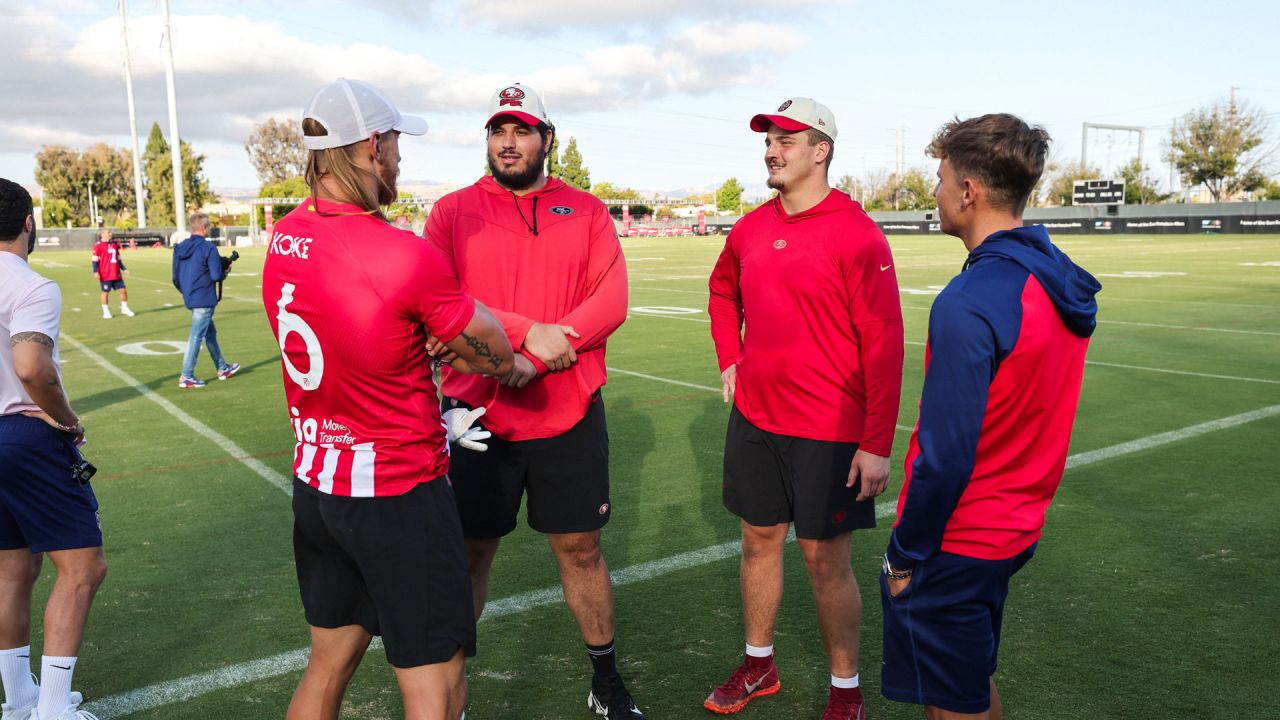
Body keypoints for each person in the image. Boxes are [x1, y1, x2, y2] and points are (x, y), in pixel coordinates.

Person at [263, 78, 514, 720]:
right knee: (437, 679)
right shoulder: (400, 253)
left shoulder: (284, 238)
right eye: (397, 145)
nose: (400, 160)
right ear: (372, 145)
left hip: (318, 482)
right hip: (397, 492)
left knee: (327, 664)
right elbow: (496, 352)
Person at [422, 82, 640, 719]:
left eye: (519, 129)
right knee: (468, 552)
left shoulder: (589, 211)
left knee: (581, 549)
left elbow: (611, 301)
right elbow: (439, 304)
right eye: (497, 130)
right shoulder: (452, 212)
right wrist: (518, 339)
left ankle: (606, 678)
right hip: (473, 417)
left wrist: (539, 355)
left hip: (567, 409)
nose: (506, 142)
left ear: (547, 137)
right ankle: (449, 686)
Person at [879, 114, 1101, 720]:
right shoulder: (1048, 278)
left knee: (953, 703)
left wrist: (905, 552)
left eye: (942, 177)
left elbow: (945, 454)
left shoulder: (972, 300)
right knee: (964, 685)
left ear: (970, 191)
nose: (936, 191)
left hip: (959, 538)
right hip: (1015, 524)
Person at [706, 98, 904, 720]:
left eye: (786, 140)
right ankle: (759, 664)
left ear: (821, 151)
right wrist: (729, 358)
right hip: (757, 422)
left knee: (825, 561)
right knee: (757, 541)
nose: (771, 149)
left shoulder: (856, 231)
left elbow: (885, 341)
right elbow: (720, 291)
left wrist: (875, 442)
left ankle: (846, 693)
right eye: (768, 139)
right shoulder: (749, 227)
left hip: (830, 430)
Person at [0, 178, 106, 720]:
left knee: (13, 569)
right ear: (27, 223)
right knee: (83, 567)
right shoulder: (31, 284)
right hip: (22, 438)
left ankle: (19, 698)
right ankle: (52, 708)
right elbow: (31, 367)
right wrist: (66, 421)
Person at [171, 213, 238, 389]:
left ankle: (222, 367)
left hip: (191, 297)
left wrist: (187, 292)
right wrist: (226, 271)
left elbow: (176, 279)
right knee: (196, 337)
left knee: (210, 333)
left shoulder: (180, 247)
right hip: (204, 298)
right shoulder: (208, 248)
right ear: (204, 228)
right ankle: (186, 376)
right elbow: (216, 275)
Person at [90, 228, 134, 319]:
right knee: (105, 293)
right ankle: (106, 311)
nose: (110, 234)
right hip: (105, 273)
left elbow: (118, 259)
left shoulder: (114, 245)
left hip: (116, 272)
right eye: (108, 232)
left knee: (123, 290)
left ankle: (124, 308)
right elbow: (95, 260)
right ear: (102, 234)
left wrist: (124, 269)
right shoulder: (98, 246)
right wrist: (95, 271)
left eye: (110, 232)